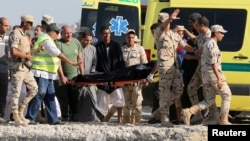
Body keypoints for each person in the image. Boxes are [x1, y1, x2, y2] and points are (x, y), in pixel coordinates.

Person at [26, 23, 82, 125]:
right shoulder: (46, 40)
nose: (58, 35)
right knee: (40, 94)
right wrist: (72, 62)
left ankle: (53, 119)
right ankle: (30, 117)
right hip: (40, 72)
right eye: (57, 32)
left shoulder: (49, 40)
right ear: (51, 32)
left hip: (48, 74)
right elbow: (57, 53)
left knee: (50, 96)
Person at [153, 9, 196, 127]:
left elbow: (184, 46)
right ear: (160, 22)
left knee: (179, 90)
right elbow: (162, 28)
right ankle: (164, 118)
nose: (167, 24)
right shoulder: (158, 33)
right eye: (164, 22)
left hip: (174, 66)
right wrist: (170, 18)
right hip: (165, 67)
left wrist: (196, 51)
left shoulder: (173, 34)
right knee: (164, 93)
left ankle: (161, 110)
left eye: (168, 22)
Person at [182, 24, 232, 125]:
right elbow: (214, 64)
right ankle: (224, 120)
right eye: (221, 33)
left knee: (209, 100)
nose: (223, 35)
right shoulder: (212, 45)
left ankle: (189, 111)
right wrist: (219, 79)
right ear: (216, 33)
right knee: (227, 95)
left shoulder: (206, 43)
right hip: (213, 75)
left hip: (206, 75)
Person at [184, 16, 220, 125]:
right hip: (200, 69)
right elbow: (196, 39)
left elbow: (204, 56)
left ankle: (215, 116)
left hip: (207, 69)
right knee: (191, 88)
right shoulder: (202, 35)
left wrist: (191, 57)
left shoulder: (209, 37)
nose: (194, 27)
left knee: (208, 94)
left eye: (196, 25)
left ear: (201, 25)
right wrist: (185, 32)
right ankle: (199, 116)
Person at [9, 15, 39, 126]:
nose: (31, 25)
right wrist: (27, 57)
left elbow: (28, 53)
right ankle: (15, 115)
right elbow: (14, 52)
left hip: (26, 68)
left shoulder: (25, 36)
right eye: (30, 23)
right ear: (24, 22)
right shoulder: (15, 34)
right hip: (18, 67)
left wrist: (36, 50)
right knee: (15, 93)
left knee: (34, 89)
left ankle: (21, 110)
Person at [95, 26, 126, 123]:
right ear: (101, 35)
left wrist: (121, 76)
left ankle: (119, 119)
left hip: (115, 76)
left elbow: (120, 61)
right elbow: (95, 62)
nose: (106, 35)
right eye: (104, 33)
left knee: (119, 98)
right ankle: (102, 118)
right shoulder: (97, 46)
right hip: (103, 77)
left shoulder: (116, 45)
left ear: (110, 34)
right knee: (101, 100)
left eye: (108, 33)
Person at [55, 25, 84, 121]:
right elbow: (58, 61)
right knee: (63, 98)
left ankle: (74, 116)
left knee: (75, 97)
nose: (68, 35)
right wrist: (62, 76)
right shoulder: (58, 44)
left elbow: (80, 59)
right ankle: (65, 116)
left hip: (74, 76)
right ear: (62, 34)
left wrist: (82, 75)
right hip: (62, 76)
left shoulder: (76, 42)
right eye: (66, 33)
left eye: (70, 33)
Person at [121, 29, 148, 124]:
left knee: (137, 103)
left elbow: (144, 64)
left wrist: (146, 79)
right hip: (126, 81)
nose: (130, 39)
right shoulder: (122, 49)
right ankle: (126, 122)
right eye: (128, 37)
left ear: (135, 38)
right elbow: (120, 66)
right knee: (126, 103)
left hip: (137, 81)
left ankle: (137, 122)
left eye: (132, 37)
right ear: (126, 38)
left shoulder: (140, 49)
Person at [180, 13, 202, 122]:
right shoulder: (192, 32)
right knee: (185, 92)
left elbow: (196, 40)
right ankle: (186, 115)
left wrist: (191, 56)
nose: (190, 25)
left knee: (195, 92)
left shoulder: (202, 34)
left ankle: (195, 115)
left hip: (196, 68)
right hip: (188, 67)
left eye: (191, 23)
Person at [0, 17, 10, 123]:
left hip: (4, 70)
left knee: (3, 93)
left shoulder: (8, 39)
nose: (8, 27)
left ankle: (1, 115)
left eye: (8, 25)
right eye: (5, 25)